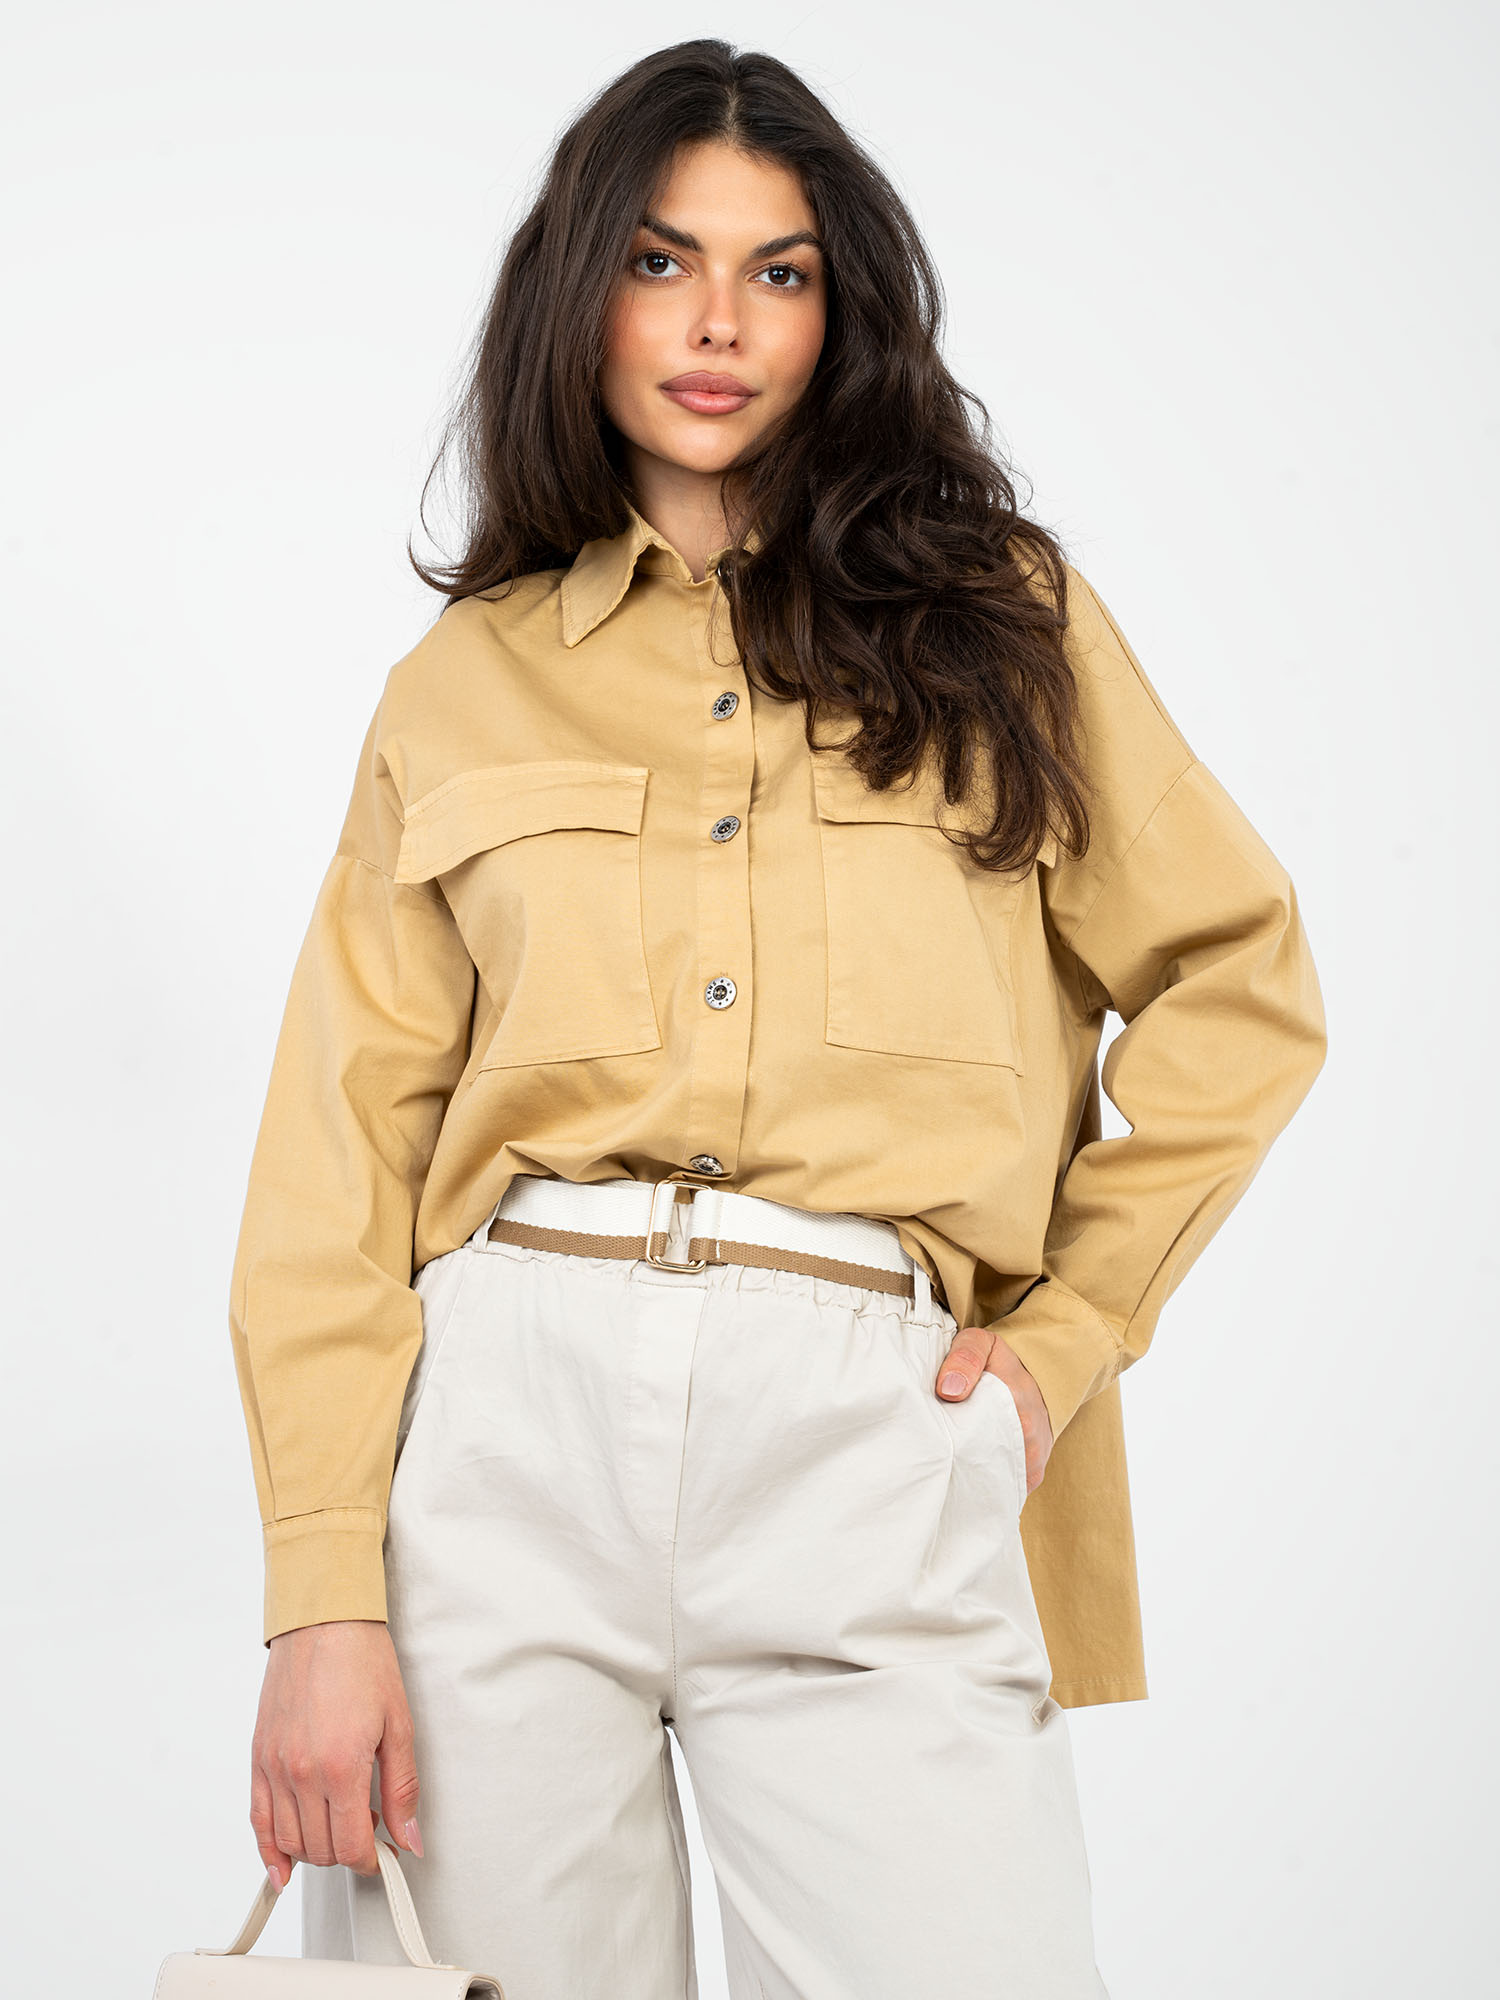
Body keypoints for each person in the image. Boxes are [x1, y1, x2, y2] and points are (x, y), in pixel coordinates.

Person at [228, 37, 1327, 2000]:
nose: (718, 322)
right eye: (661, 261)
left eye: (781, 270)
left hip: (872, 1437)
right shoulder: (462, 684)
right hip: (501, 1449)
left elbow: (1240, 984)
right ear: (580, 293)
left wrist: (1062, 1346)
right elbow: (338, 1160)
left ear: (843, 310)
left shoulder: (1008, 628)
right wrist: (321, 1597)